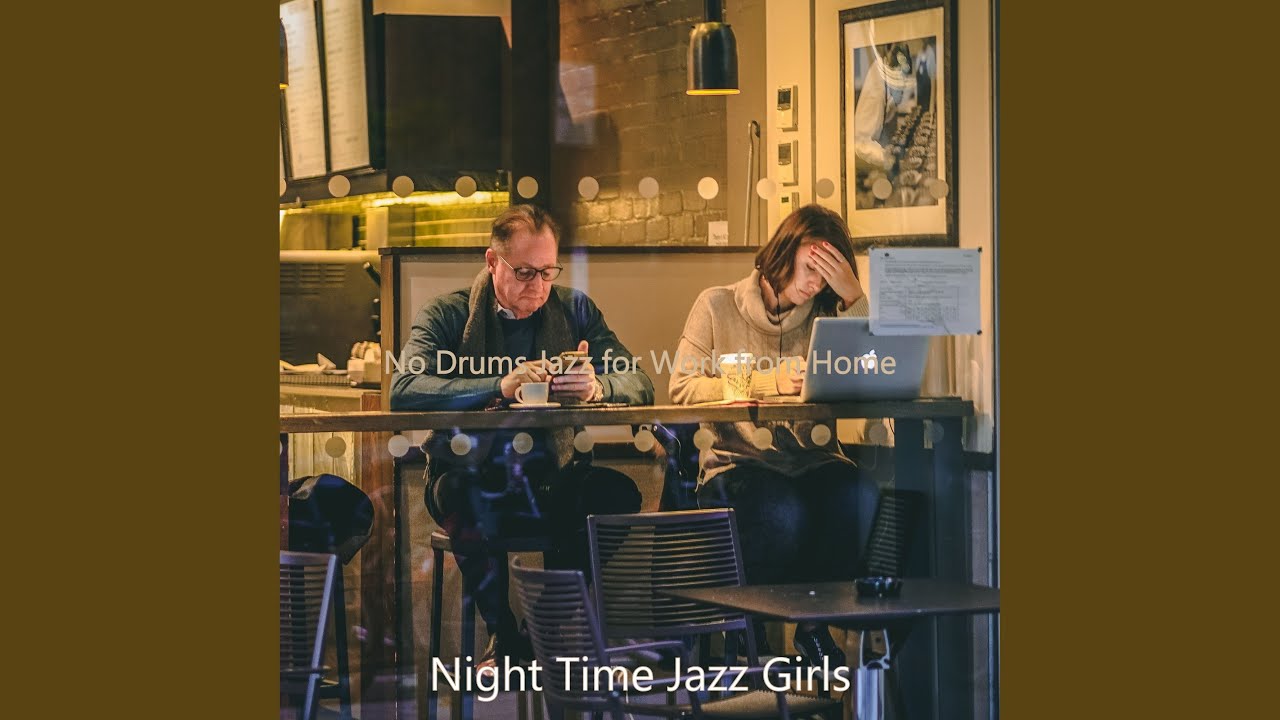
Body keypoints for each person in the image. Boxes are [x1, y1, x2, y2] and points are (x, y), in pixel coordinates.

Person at [390, 204, 654, 667]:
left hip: (552, 472)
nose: (538, 285)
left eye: (548, 272)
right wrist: (498, 385)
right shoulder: (449, 314)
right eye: (525, 272)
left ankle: (540, 629)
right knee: (460, 493)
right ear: (492, 262)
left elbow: (639, 382)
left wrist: (596, 387)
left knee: (615, 495)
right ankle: (503, 632)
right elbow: (404, 389)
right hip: (469, 470)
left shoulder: (574, 309)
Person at [669, 204, 880, 667]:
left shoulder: (827, 314)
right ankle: (751, 630)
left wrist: (854, 296)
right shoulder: (717, 304)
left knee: (858, 495)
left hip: (811, 460)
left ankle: (812, 626)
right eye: (811, 268)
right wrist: (767, 382)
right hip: (737, 463)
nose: (815, 284)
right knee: (782, 510)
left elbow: (876, 369)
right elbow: (682, 387)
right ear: (783, 254)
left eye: (828, 275)